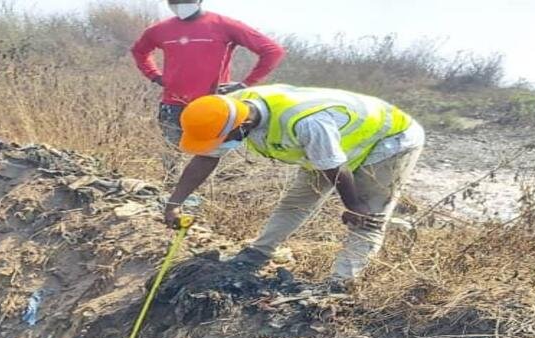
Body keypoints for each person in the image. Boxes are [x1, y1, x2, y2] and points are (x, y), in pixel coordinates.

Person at [163, 84, 425, 290]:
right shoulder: (228, 109)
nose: (219, 145)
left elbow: (334, 166)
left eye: (223, 139)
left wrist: (354, 205)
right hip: (331, 146)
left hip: (390, 140)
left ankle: (340, 285)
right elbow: (207, 156)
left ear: (242, 126)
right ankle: (257, 254)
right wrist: (175, 203)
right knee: (295, 203)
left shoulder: (307, 122)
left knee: (369, 216)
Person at [130, 1, 285, 150]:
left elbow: (272, 51)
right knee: (172, 157)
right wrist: (154, 75)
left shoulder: (224, 24)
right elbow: (139, 51)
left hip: (213, 105)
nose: (180, 3)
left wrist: (245, 84)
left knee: (209, 155)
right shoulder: (160, 30)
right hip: (173, 105)